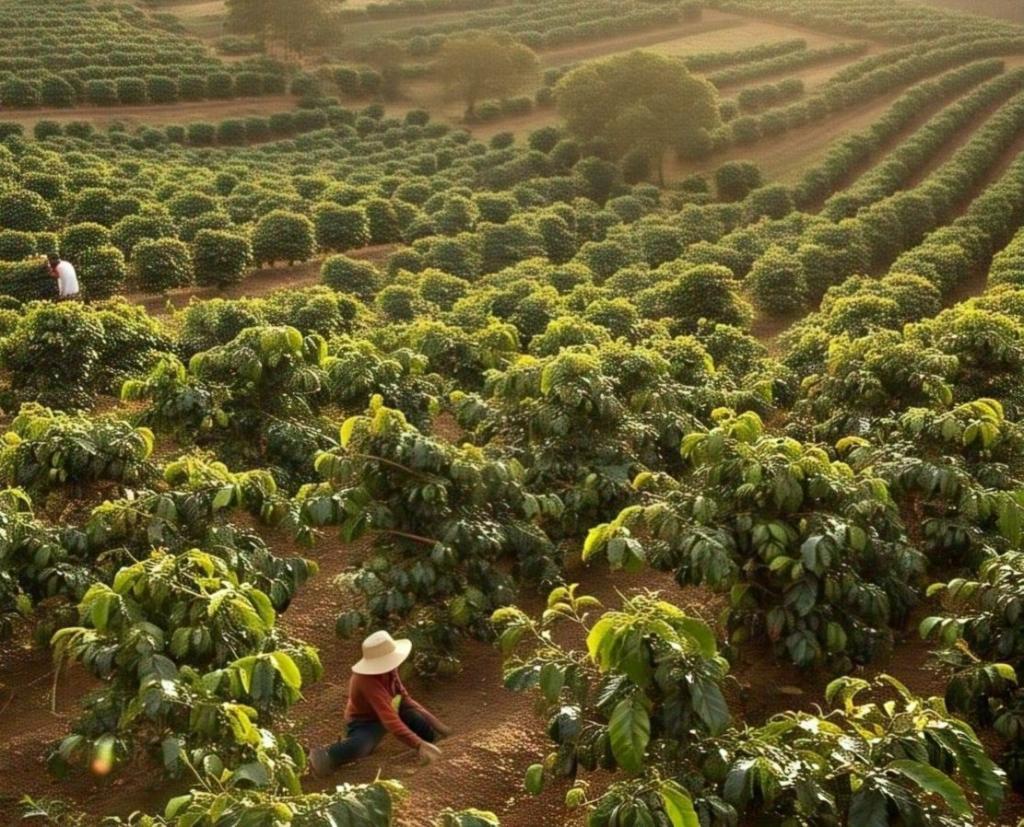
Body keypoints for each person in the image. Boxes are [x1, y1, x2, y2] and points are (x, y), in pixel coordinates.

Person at [309, 630, 450, 777]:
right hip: (365, 722)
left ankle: (431, 741)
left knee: (415, 718)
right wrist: (418, 744)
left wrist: (441, 728)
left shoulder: (390, 670)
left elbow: (405, 699)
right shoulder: (365, 681)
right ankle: (325, 756)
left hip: (389, 709)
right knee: (360, 746)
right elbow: (389, 720)